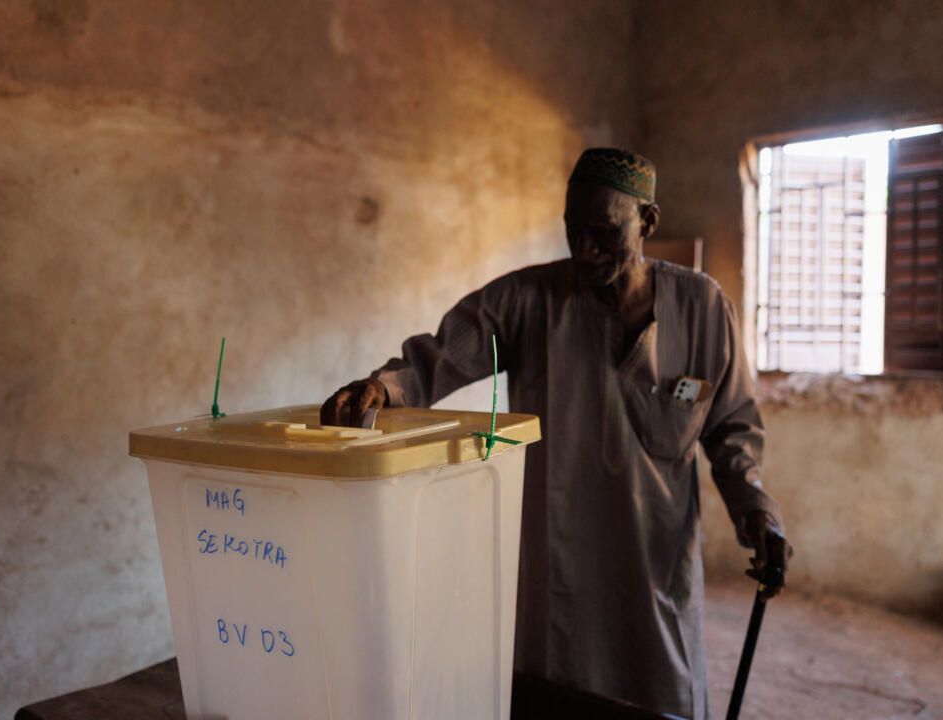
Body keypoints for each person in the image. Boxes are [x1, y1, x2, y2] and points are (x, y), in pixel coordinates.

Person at [320, 148, 791, 720]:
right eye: (574, 229)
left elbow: (733, 429)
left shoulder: (703, 308)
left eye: (604, 231)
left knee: (662, 699)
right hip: (560, 568)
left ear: (648, 222)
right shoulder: (526, 301)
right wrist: (384, 387)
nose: (586, 248)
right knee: (559, 697)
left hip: (655, 565)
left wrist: (757, 512)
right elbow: (438, 357)